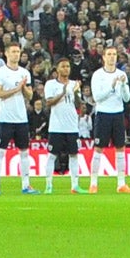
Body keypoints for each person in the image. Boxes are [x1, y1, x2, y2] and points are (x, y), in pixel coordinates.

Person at [0, 42, 36, 195]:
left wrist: (23, 88)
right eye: (13, 52)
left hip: (21, 119)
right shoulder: (0, 73)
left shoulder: (24, 72)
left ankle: (26, 185)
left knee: (24, 152)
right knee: (0, 153)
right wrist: (16, 89)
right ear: (6, 53)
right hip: (5, 119)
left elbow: (30, 95)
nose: (16, 54)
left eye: (18, 52)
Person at [88, 45, 130, 194]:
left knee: (120, 148)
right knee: (98, 148)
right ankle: (93, 183)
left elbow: (127, 98)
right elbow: (97, 98)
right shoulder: (98, 75)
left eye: (114, 54)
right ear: (104, 57)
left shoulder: (121, 74)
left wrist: (124, 85)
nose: (112, 57)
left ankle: (121, 184)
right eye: (109, 54)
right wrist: (112, 87)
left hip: (118, 114)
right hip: (103, 114)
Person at [43, 58, 87, 195]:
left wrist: (76, 93)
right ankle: (48, 185)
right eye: (63, 66)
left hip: (72, 126)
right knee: (52, 155)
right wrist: (62, 93)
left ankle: (75, 185)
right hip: (56, 127)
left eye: (68, 66)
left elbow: (79, 105)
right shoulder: (50, 84)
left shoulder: (74, 84)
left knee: (74, 155)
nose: (66, 69)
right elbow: (48, 102)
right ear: (57, 69)